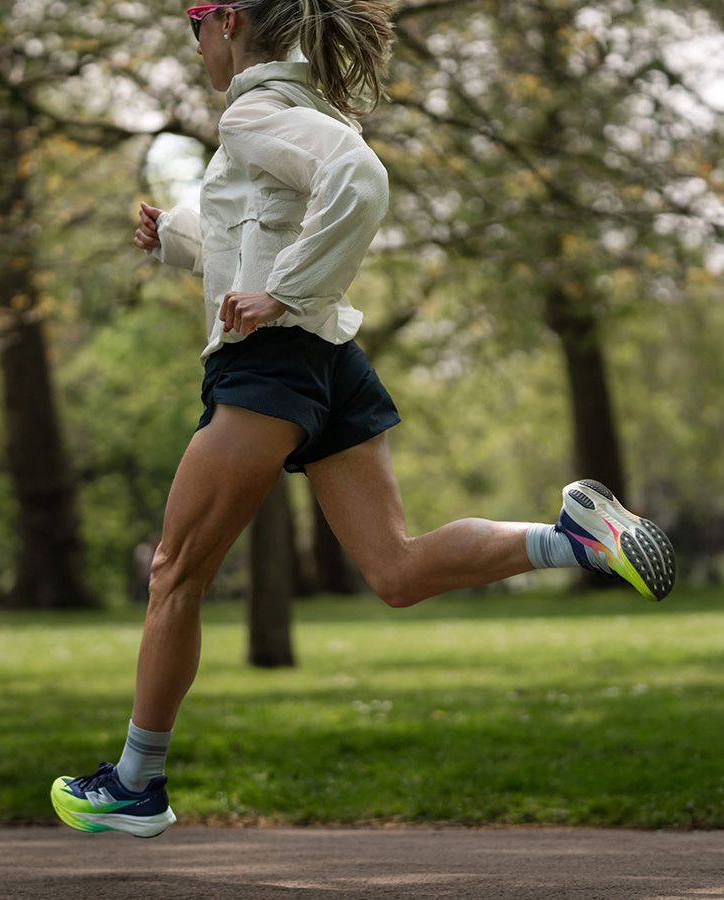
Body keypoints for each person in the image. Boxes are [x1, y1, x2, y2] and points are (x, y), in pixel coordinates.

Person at [50, 0, 676, 839]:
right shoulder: (296, 108)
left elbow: (359, 180)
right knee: (397, 571)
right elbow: (258, 230)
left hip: (271, 360)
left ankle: (135, 783)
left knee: (175, 574)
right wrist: (177, 235)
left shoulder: (253, 111)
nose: (193, 42)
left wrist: (287, 294)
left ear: (226, 22)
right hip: (325, 361)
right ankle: (575, 539)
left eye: (191, 22)